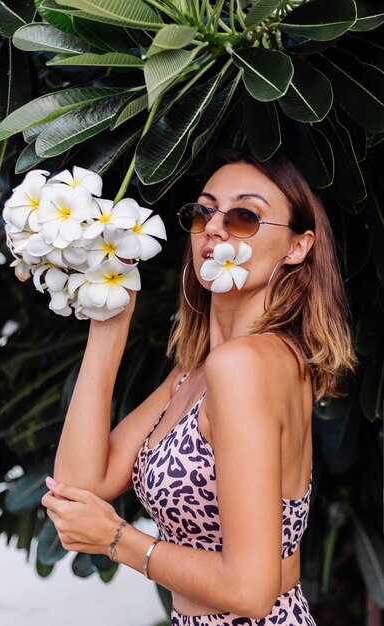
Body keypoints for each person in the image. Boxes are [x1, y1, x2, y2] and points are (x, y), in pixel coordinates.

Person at [41, 150, 357, 626]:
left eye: (245, 217)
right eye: (204, 212)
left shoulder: (244, 366)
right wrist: (109, 324)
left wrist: (115, 539)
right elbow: (79, 487)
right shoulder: (198, 372)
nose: (214, 227)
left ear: (298, 246)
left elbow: (249, 591)